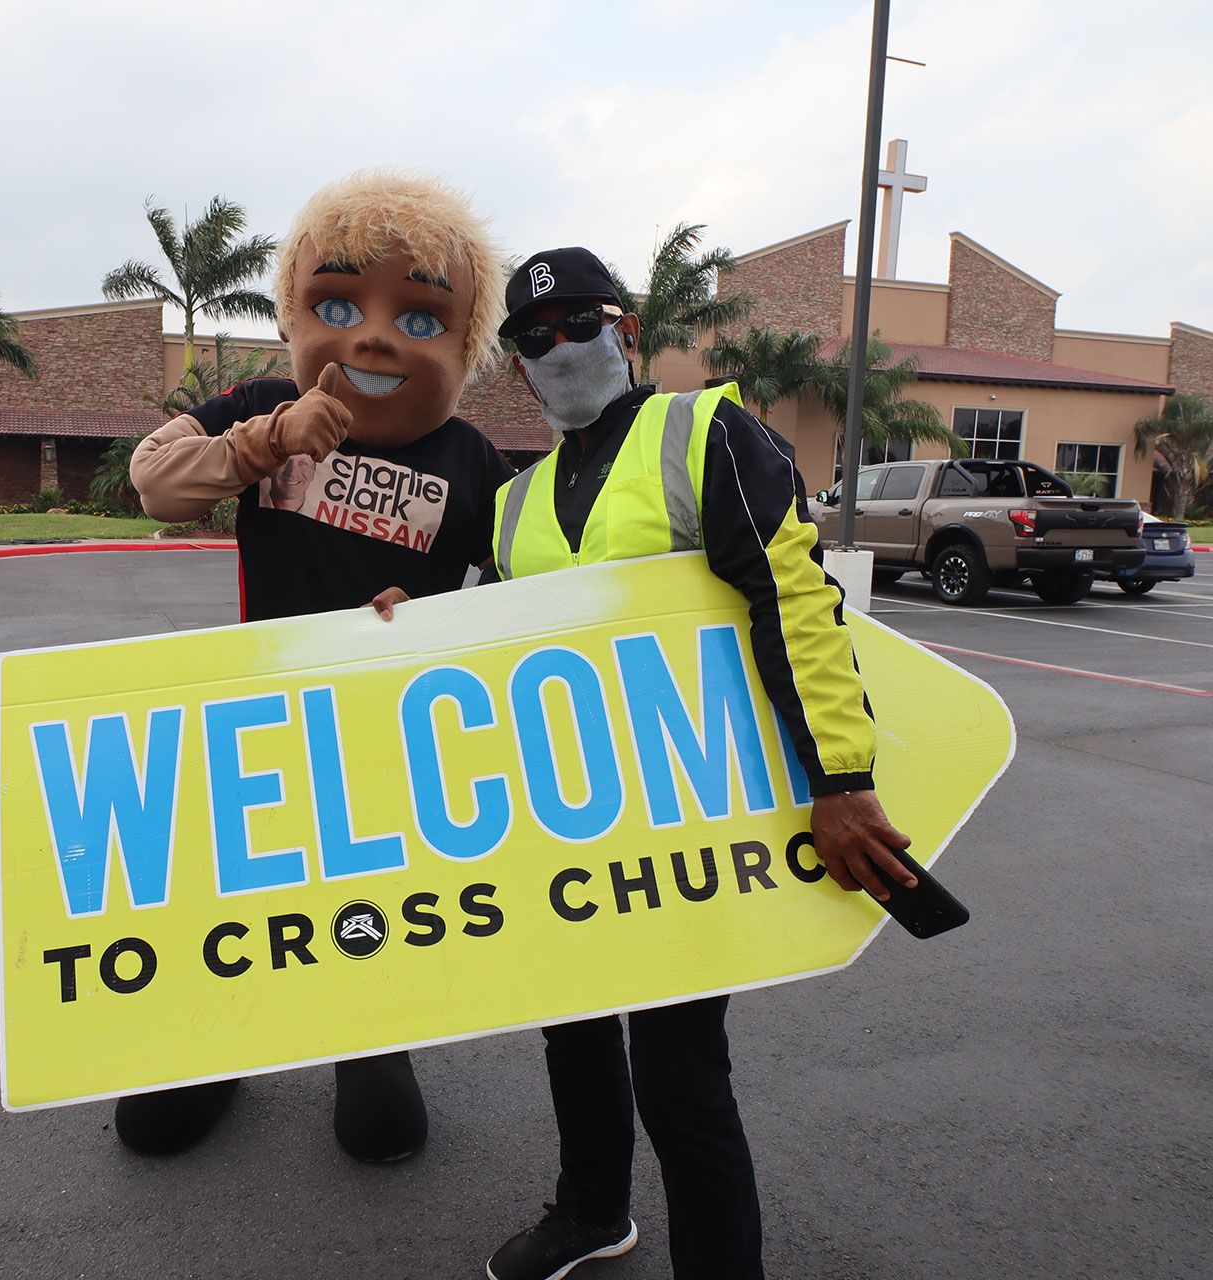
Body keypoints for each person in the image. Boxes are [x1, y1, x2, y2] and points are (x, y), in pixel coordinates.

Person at [480, 248, 917, 1280]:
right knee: (574, 1033)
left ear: (624, 329)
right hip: (569, 822)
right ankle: (593, 1209)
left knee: (679, 1074)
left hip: (687, 815)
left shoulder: (702, 430)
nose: (558, 347)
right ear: (517, 366)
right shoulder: (515, 503)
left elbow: (793, 598)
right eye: (532, 338)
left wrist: (840, 779)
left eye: (577, 322)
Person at [126, 170, 514, 1163]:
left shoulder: (474, 462)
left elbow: (530, 596)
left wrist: (434, 619)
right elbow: (155, 484)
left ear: (464, 344)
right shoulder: (264, 402)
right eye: (338, 306)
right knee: (239, 898)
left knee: (366, 907)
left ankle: (366, 1038)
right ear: (295, 310)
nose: (374, 336)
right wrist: (266, 440)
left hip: (388, 745)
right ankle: (218, 1043)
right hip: (258, 729)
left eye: (419, 316)